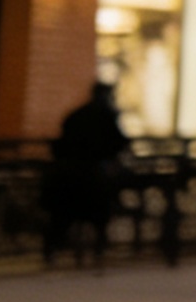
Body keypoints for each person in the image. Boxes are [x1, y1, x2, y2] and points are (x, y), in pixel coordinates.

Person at [43, 81, 130, 263]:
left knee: (61, 215)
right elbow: (119, 143)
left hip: (67, 173)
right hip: (92, 176)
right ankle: (97, 246)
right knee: (100, 209)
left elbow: (60, 143)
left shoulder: (77, 114)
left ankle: (52, 248)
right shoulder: (106, 115)